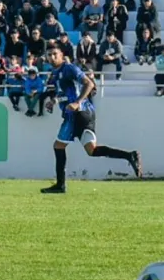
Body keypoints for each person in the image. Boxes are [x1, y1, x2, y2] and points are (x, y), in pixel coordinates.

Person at [40, 46, 142, 194]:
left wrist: (77, 102)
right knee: (92, 150)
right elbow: (63, 93)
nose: (52, 57)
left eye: (55, 54)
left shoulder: (69, 68)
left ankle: (60, 185)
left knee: (58, 146)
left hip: (77, 114)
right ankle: (129, 155)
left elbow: (89, 83)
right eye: (49, 54)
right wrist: (53, 101)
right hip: (85, 113)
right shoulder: (56, 73)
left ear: (62, 55)